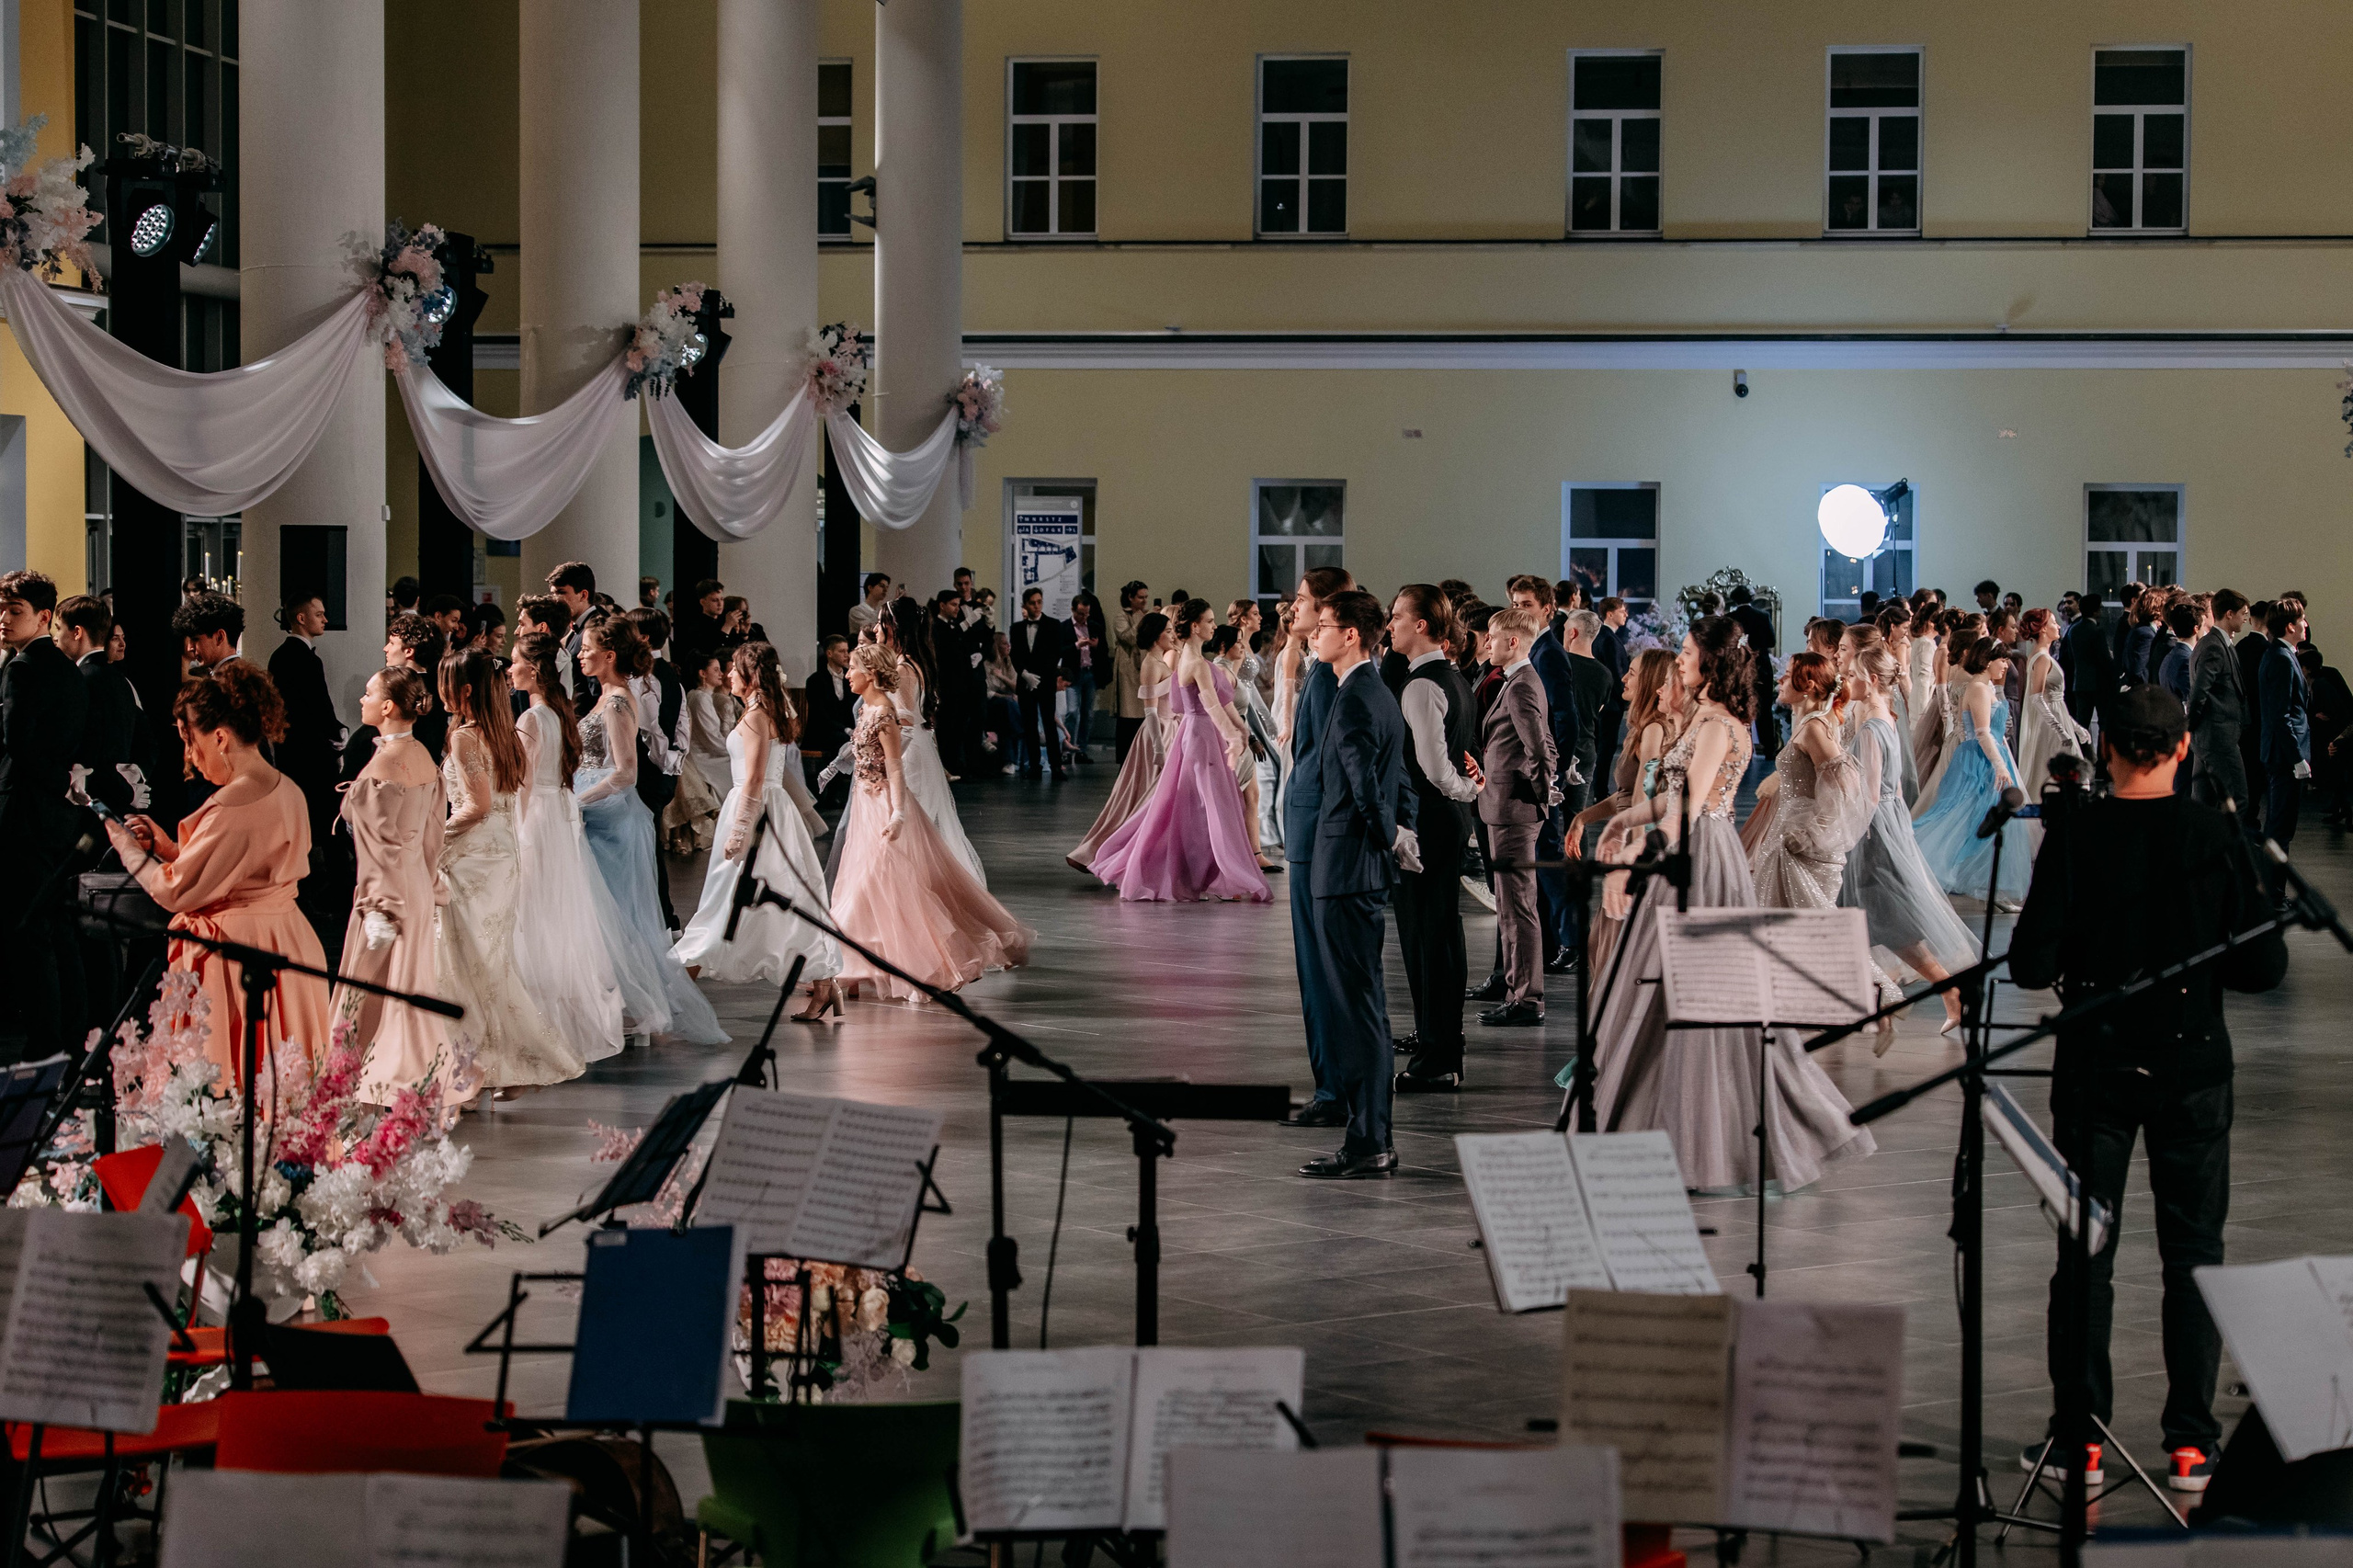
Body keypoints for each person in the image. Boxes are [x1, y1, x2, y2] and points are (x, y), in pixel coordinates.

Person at [2006, 685, 2286, 1494]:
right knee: (2195, 1255)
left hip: (2096, 1069)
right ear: (2184, 747)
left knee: (2083, 1257)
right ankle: (2193, 1444)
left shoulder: (2076, 834)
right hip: (2193, 1066)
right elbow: (2264, 967)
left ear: (2109, 751)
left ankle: (2080, 1444)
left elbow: (2028, 964)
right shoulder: (2217, 834)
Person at [1591, 617, 1875, 1192]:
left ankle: (1705, 1138)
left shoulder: (1720, 724)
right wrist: (1624, 818)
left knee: (1702, 998)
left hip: (1697, 859)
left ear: (1710, 664)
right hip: (1686, 849)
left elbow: (1692, 805)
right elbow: (1672, 794)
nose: (1679, 661)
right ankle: (1658, 1128)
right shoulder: (1703, 718)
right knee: (1662, 990)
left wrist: (1634, 858)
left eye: (1688, 653)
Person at [108, 665, 332, 1083]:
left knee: (232, 1090)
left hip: (238, 955)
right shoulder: (288, 790)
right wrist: (170, 849)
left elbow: (176, 891)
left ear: (221, 737)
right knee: (287, 1087)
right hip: (290, 942)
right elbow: (248, 869)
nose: (190, 756)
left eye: (189, 742)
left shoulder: (230, 807)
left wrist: (126, 848)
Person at [829, 642, 1031, 1002]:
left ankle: (916, 963)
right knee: (862, 880)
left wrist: (898, 814)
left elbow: (894, 767)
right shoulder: (866, 712)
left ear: (871, 673)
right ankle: (853, 964)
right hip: (864, 802)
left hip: (883, 805)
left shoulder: (885, 714)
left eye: (853, 668)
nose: (848, 674)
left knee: (879, 881)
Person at [435, 650, 586, 1105]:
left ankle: (471, 1068)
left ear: (463, 690)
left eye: (445, 683)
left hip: (472, 856)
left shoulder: (464, 737)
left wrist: (430, 837)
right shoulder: (506, 734)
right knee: (489, 963)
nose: (437, 692)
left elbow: (475, 806)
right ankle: (511, 1063)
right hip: (502, 851)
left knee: (462, 966)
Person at [1297, 589, 1413, 1181]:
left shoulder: (1357, 697)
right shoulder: (1369, 692)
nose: (1314, 633)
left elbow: (1367, 788)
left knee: (1357, 1008)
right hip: (1352, 868)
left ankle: (1370, 1142)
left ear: (1350, 637)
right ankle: (1369, 1136)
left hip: (1346, 870)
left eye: (1323, 626)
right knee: (1359, 1005)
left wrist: (1387, 836)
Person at [575, 617, 728, 1046]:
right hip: (598, 809)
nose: (581, 655)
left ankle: (637, 1005)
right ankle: (620, 1003)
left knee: (619, 913)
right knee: (604, 913)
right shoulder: (607, 694)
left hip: (611, 815)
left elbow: (626, 772)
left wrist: (576, 802)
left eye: (587, 649)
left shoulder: (619, 701)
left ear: (609, 656)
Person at [674, 642, 844, 1009]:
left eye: (735, 669)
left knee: (726, 895)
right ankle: (825, 982)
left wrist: (738, 831)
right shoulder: (765, 710)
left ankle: (680, 987)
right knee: (783, 895)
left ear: (750, 675)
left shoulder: (755, 716)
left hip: (757, 812)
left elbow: (753, 779)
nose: (730, 675)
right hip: (769, 809)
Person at [333, 666, 462, 1106]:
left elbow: (379, 850)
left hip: (385, 892)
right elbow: (432, 832)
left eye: (369, 694)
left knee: (369, 988)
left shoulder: (385, 765)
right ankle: (407, 1077)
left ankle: (370, 1080)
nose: (363, 700)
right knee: (408, 984)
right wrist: (428, 881)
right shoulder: (423, 755)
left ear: (387, 707)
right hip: (415, 885)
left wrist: (377, 906)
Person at [1838, 635, 1974, 1040]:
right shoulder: (1885, 719)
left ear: (1874, 680)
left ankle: (1931, 991)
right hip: (1885, 824)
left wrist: (1844, 831)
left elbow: (1872, 792)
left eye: (1855, 675)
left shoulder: (1871, 726)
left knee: (1882, 917)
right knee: (1865, 917)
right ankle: (1876, 1001)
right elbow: (1889, 791)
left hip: (1872, 829)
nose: (1848, 679)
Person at [1092, 600, 1270, 903]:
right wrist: (1234, 736)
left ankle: (1213, 874)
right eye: (1210, 621)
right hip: (1200, 737)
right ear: (1194, 626)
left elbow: (1224, 706)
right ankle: (1223, 874)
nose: (1215, 626)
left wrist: (1241, 733)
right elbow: (1211, 707)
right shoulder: (1196, 664)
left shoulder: (1202, 663)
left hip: (1203, 736)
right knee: (1210, 807)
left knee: (1201, 807)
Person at [506, 632, 626, 1066]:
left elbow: (521, 783)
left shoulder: (532, 719)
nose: (509, 668)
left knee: (533, 911)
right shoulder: (557, 714)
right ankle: (560, 1013)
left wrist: (513, 831)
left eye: (515, 661)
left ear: (533, 670)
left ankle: (540, 1020)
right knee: (557, 912)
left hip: (538, 814)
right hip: (557, 811)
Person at [1383, 586, 1478, 1090]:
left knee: (1427, 941)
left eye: (1398, 616)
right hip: (1446, 821)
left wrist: (1466, 788)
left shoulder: (1421, 686)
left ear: (1422, 625)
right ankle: (1441, 1045)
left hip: (1429, 822)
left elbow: (1437, 770)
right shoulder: (1455, 678)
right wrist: (1469, 787)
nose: (1390, 624)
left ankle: (1438, 1057)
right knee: (1440, 937)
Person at [0, 571, 88, 1059]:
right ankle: (72, 1040)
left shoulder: (22, 668)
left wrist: (54, 781)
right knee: (58, 930)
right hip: (58, 816)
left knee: (29, 935)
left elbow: (17, 743)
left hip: (24, 816)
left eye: (14, 612)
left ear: (44, 617)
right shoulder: (68, 670)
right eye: (2, 610)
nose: (3, 620)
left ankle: (44, 1046)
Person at [1279, 567, 1354, 1131]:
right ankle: (1331, 1080)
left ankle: (1333, 1087)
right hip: (1309, 831)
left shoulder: (1330, 679)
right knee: (1317, 966)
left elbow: (1330, 768)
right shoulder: (1317, 668)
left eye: (1302, 601)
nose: (1293, 608)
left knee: (1320, 966)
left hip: (1317, 837)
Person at [1465, 606, 1554, 1030]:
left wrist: (1537, 798)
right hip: (1505, 805)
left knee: (1517, 905)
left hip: (1513, 810)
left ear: (1513, 641)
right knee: (1509, 904)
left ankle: (1526, 998)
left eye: (1494, 638)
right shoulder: (1519, 681)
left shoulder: (1520, 686)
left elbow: (1540, 749)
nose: (1487, 643)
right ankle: (1517, 991)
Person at [1746, 652, 1873, 925]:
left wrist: (1811, 835)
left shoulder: (1815, 727)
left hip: (1805, 847)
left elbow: (1846, 785)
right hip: (1789, 834)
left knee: (1808, 933)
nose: (1780, 679)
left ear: (1810, 686)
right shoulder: (1809, 724)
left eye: (1789, 675)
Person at [867, 614, 988, 888]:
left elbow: (906, 725)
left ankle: (918, 890)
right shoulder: (910, 663)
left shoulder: (903, 669)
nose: (875, 628)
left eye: (880, 623)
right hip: (918, 750)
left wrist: (884, 762)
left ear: (893, 628)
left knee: (910, 825)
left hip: (910, 756)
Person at [1506, 575, 1583, 971]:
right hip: (1530, 771)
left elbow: (1564, 717)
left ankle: (1571, 942)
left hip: (1543, 772)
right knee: (1540, 858)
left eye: (1528, 605)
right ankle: (1557, 941)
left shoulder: (1549, 654)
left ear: (1548, 611)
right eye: (1515, 604)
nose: (1520, 611)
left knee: (1549, 858)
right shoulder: (1528, 650)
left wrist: (1552, 773)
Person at [1069, 612, 1174, 872]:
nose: (1172, 635)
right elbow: (1149, 709)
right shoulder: (1151, 663)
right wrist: (1159, 748)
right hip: (1157, 733)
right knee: (1146, 800)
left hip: (1169, 728)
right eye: (1168, 631)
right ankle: (1119, 856)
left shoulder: (1161, 661)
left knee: (1152, 800)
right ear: (1155, 635)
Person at [2017, 608, 2092, 825]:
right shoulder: (2041, 658)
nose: (2058, 626)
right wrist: (2060, 729)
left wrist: (2075, 727)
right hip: (2051, 725)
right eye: (2052, 623)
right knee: (2065, 773)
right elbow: (2036, 698)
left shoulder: (2044, 656)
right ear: (2041, 629)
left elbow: (2055, 700)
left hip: (2059, 718)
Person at [2256, 600, 2311, 887]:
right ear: (2290, 626)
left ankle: (2272, 892)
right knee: (2280, 829)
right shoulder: (2280, 657)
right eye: (2302, 619)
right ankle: (2272, 894)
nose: (2306, 624)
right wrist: (2296, 758)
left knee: (2279, 826)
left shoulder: (2280, 653)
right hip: (2283, 756)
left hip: (2280, 754)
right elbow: (2282, 715)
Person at [2188, 589, 2250, 814]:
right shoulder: (2214, 646)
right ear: (2229, 614)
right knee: (2237, 802)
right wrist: (2190, 727)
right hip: (2218, 738)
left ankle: (2202, 848)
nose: (2246, 618)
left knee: (2203, 804)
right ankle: (2226, 848)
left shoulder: (2217, 644)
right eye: (2243, 613)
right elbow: (2198, 693)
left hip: (2208, 737)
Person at [1009, 587, 1074, 780]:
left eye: (1039, 602)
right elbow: (1015, 654)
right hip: (1026, 681)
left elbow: (1055, 653)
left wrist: (1038, 676)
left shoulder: (1053, 625)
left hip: (1045, 682)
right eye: (1032, 603)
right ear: (1025, 605)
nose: (1036, 606)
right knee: (1029, 725)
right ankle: (1034, 766)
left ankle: (1055, 766)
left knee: (1048, 723)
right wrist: (1024, 674)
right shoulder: (1016, 628)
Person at [1726, 583, 1779, 756]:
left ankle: (1741, 747)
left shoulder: (1730, 618)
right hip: (1761, 666)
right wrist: (1756, 648)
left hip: (1739, 667)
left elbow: (1727, 644)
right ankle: (1769, 748)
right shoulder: (1762, 616)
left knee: (1740, 706)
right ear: (1751, 598)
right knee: (1764, 708)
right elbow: (1771, 642)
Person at [547, 561, 605, 708]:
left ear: (583, 595)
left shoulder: (595, 630)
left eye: (561, 592)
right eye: (553, 593)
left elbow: (597, 690)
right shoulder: (575, 629)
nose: (555, 600)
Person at [2063, 589, 2119, 732]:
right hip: (2099, 684)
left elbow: (2070, 656)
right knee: (2103, 722)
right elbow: (2104, 659)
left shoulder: (2074, 629)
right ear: (2095, 611)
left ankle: (2080, 752)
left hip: (2080, 682)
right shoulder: (2096, 631)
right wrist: (2116, 673)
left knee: (2081, 723)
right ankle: (2101, 752)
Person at [1111, 579, 1152, 762]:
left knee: (1141, 714)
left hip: (1142, 666)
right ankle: (1125, 758)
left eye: (1146, 597)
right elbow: (1128, 637)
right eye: (1140, 597)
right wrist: (1142, 620)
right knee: (1128, 714)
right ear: (1130, 597)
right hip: (1127, 669)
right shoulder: (1121, 616)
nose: (1144, 601)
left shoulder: (1144, 614)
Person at [1066, 592, 1105, 759]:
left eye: (1087, 614)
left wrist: (1096, 646)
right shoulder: (1065, 627)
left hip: (1090, 673)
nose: (1084, 617)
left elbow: (1104, 650)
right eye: (1081, 614)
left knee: (1088, 713)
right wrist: (1076, 645)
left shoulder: (1094, 626)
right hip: (1074, 674)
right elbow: (1060, 650)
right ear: (1073, 610)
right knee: (1073, 711)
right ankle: (1067, 748)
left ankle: (1081, 748)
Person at [847, 572, 891, 643]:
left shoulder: (881, 611)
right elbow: (871, 630)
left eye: (887, 587)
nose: (885, 590)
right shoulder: (856, 610)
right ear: (870, 587)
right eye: (882, 586)